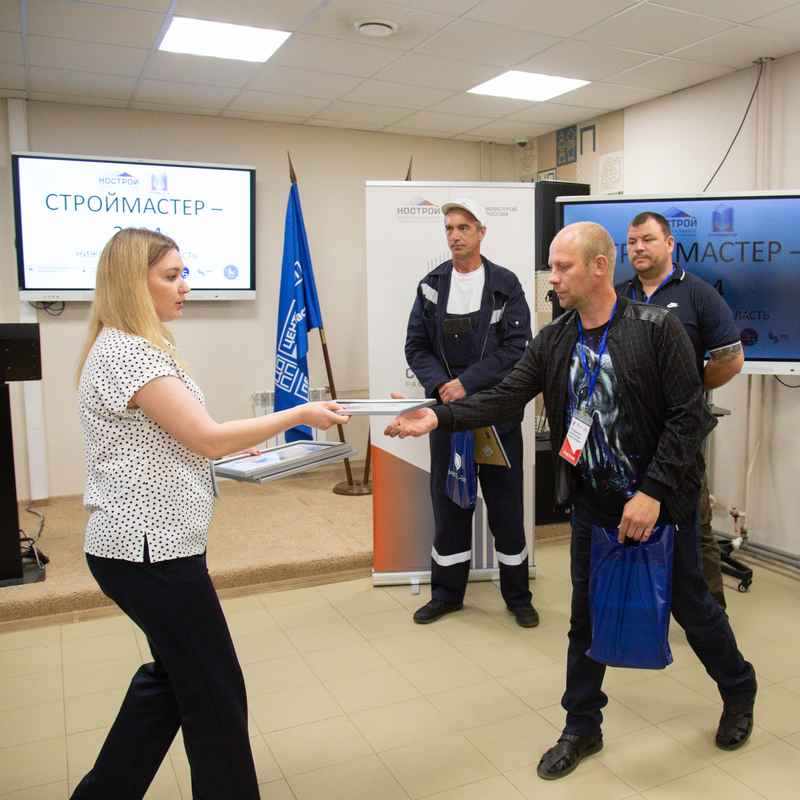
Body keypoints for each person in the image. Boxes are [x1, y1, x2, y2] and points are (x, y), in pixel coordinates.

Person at [386, 221, 756, 781]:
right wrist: (438, 416)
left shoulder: (656, 330)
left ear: (599, 267)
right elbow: (507, 394)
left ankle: (739, 689)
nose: (552, 278)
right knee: (585, 620)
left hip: (660, 508)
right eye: (552, 267)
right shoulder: (555, 338)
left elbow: (688, 418)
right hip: (594, 506)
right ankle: (582, 726)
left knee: (693, 609)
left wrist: (652, 493)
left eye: (563, 267)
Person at [72, 228, 349, 800]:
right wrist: (297, 414)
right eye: (171, 276)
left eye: (184, 273)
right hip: (149, 553)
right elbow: (206, 437)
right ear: (133, 282)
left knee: (173, 683)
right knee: (215, 690)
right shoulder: (127, 353)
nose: (185, 286)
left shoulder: (134, 345)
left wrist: (235, 450)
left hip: (148, 548)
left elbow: (179, 439)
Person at [404, 197, 538, 627]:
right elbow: (416, 347)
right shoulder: (430, 286)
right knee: (449, 508)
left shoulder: (506, 284)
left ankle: (518, 597)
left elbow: (516, 349)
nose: (455, 235)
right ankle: (446, 595)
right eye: (449, 228)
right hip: (447, 418)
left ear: (481, 232)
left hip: (497, 417)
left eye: (463, 227)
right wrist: (441, 387)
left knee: (506, 509)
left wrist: (468, 383)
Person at [618, 211, 744, 609]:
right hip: (627, 437)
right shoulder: (619, 295)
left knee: (693, 527)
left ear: (670, 243)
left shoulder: (699, 294)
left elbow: (731, 359)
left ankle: (710, 615)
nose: (638, 248)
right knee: (629, 518)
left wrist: (689, 387)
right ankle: (641, 610)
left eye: (648, 239)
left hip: (680, 435)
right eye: (632, 242)